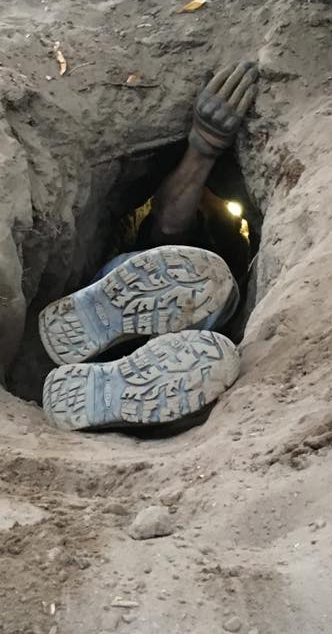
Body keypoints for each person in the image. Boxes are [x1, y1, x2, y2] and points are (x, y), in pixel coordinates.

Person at [39, 61, 259, 431]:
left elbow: (169, 221)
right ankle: (128, 377)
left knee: (202, 292)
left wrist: (204, 146)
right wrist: (204, 146)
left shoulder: (197, 246)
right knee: (206, 297)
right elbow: (169, 222)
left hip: (165, 309)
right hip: (183, 316)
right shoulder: (173, 246)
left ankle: (106, 377)